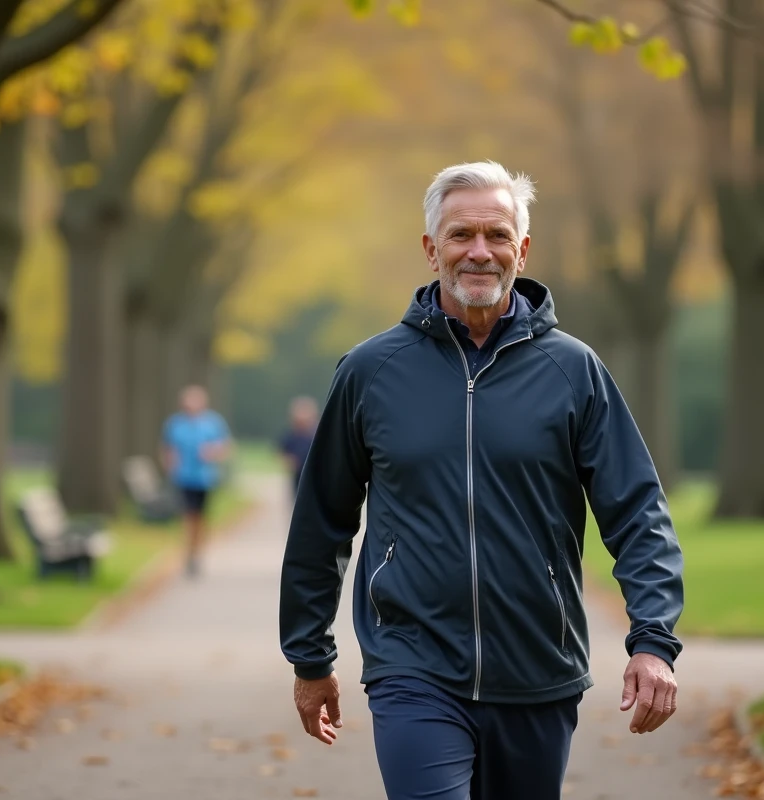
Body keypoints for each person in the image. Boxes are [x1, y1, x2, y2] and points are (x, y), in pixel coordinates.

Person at [278, 161, 685, 800]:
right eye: (461, 235)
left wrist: (653, 640)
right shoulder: (369, 371)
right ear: (430, 248)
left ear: (522, 250)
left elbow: (638, 513)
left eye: (497, 235)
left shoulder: (573, 370)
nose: (479, 251)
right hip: (411, 665)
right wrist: (310, 657)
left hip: (539, 668)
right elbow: (321, 520)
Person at [161, 385, 233, 577]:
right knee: (187, 516)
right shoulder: (175, 424)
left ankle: (197, 553)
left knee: (200, 518)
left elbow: (225, 447)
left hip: (205, 479)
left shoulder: (213, 423)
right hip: (183, 478)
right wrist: (170, 464)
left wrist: (212, 452)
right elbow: (167, 449)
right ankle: (189, 553)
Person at [278, 396, 319, 500]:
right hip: (298, 475)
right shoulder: (291, 435)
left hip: (316, 475)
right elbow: (283, 451)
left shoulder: (317, 435)